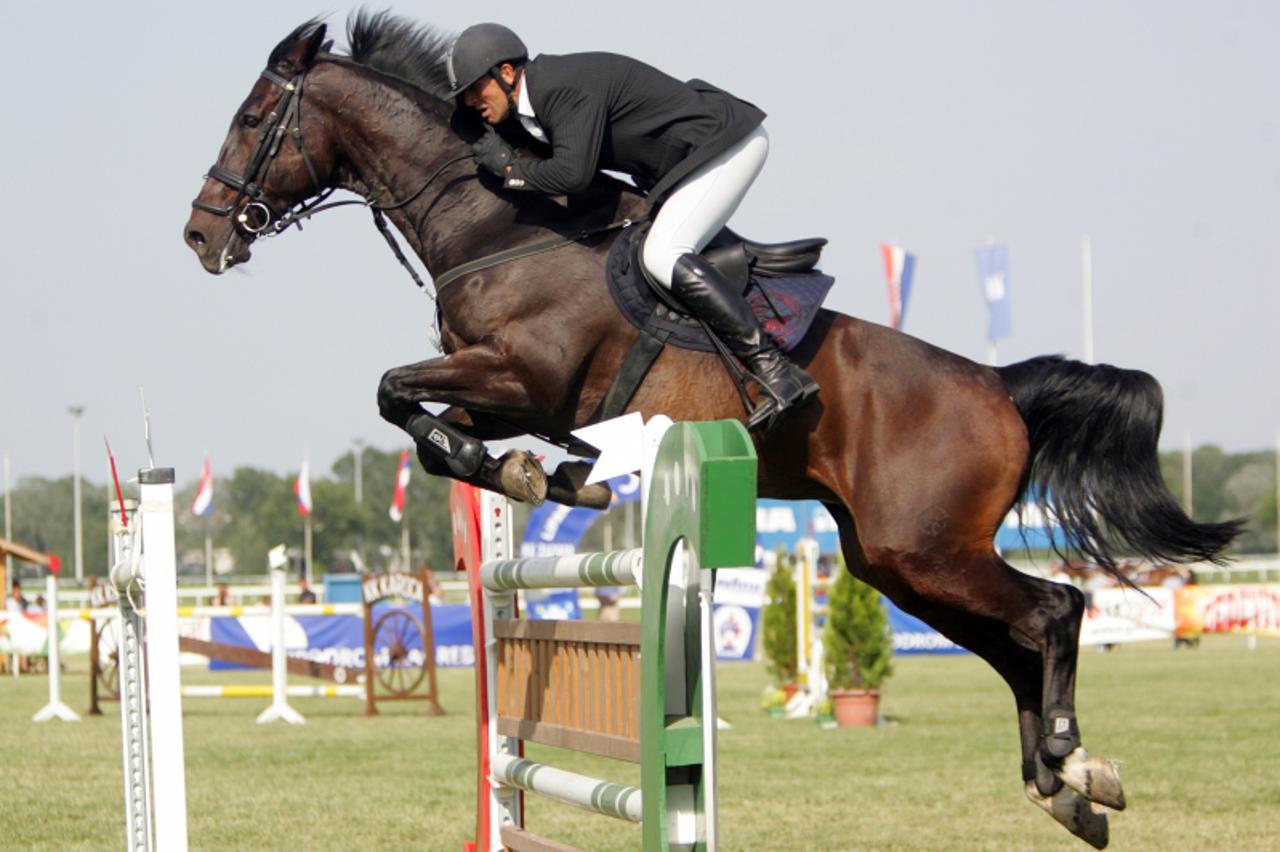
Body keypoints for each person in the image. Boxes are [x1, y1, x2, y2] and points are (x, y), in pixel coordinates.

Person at [448, 24, 819, 430]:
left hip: (726, 146)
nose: (470, 101)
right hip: (688, 164)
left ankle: (776, 371)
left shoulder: (559, 87)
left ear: (506, 71)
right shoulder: (533, 101)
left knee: (662, 253)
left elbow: (572, 175)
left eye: (474, 89)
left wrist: (507, 168)